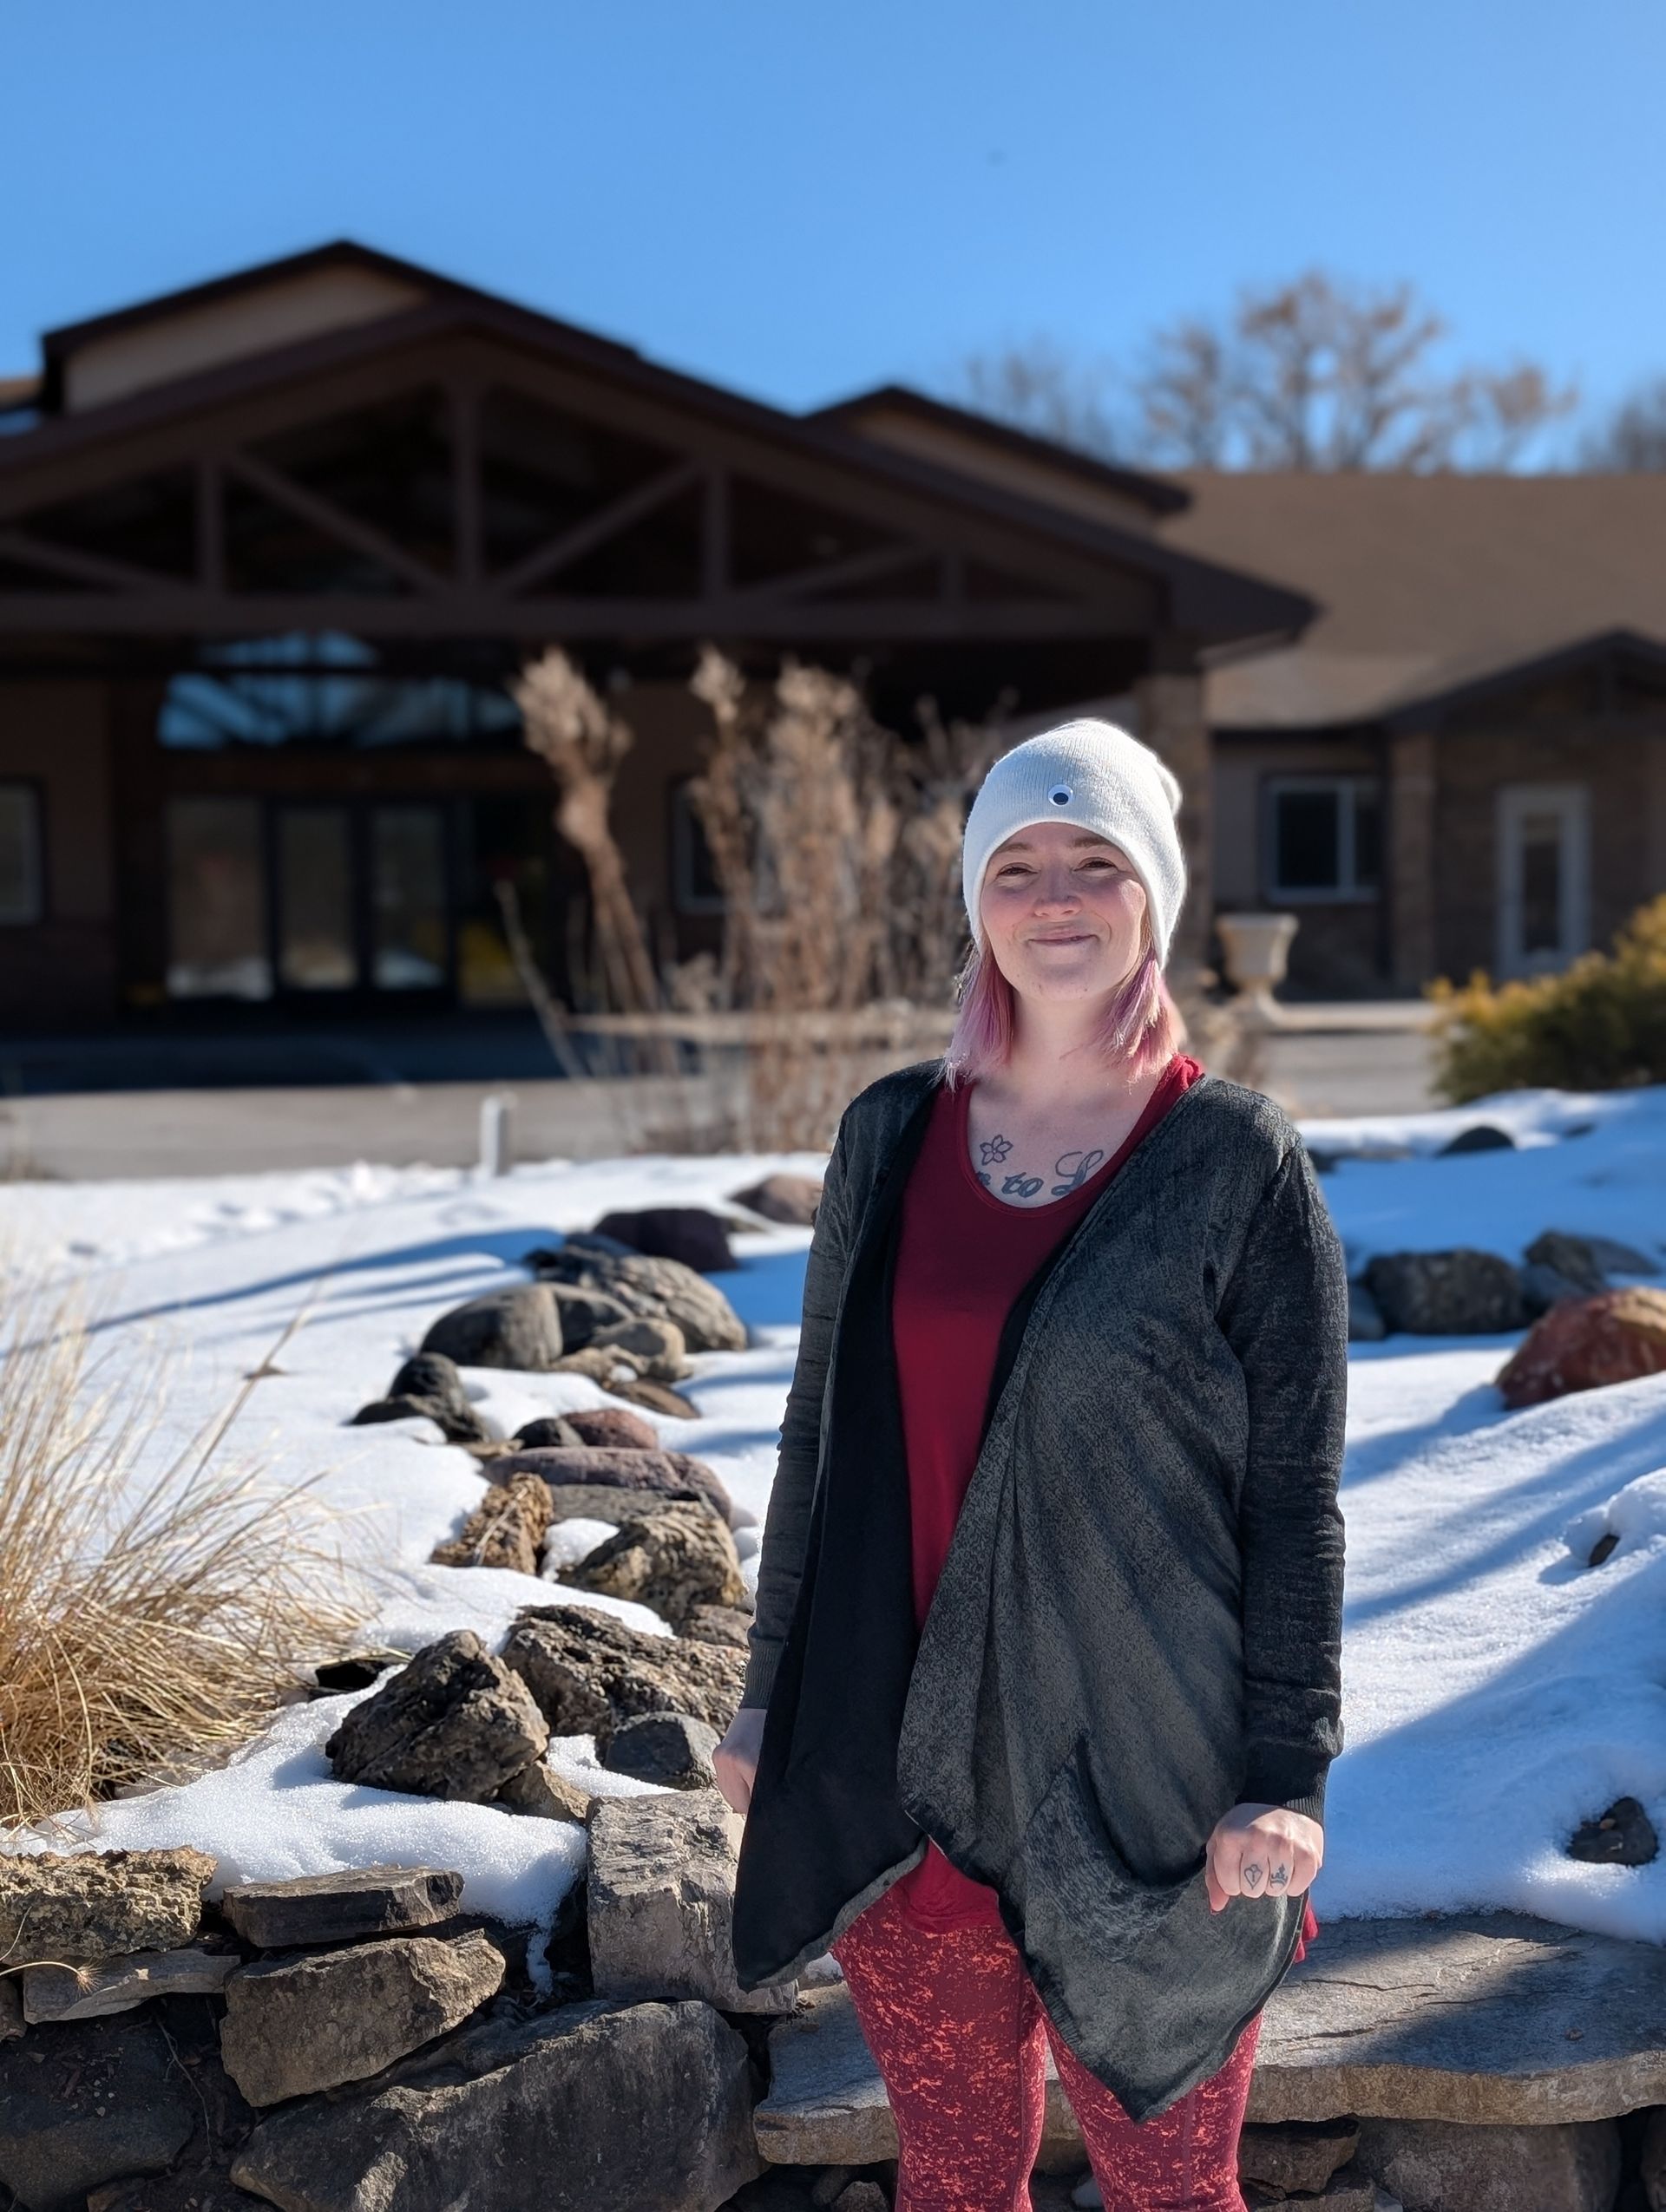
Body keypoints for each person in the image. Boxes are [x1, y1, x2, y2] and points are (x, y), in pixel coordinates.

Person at [715, 718, 1348, 2212]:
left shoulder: (1236, 1159)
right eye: (1017, 863)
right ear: (975, 900)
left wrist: (1286, 1773)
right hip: (895, 1758)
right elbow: (818, 1438)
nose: (1054, 893)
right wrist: (766, 1690)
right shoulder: (887, 1137)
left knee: (1173, 2192)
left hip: (1150, 1785)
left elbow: (1293, 1505)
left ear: (1154, 895)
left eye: (1095, 860)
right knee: (951, 2184)